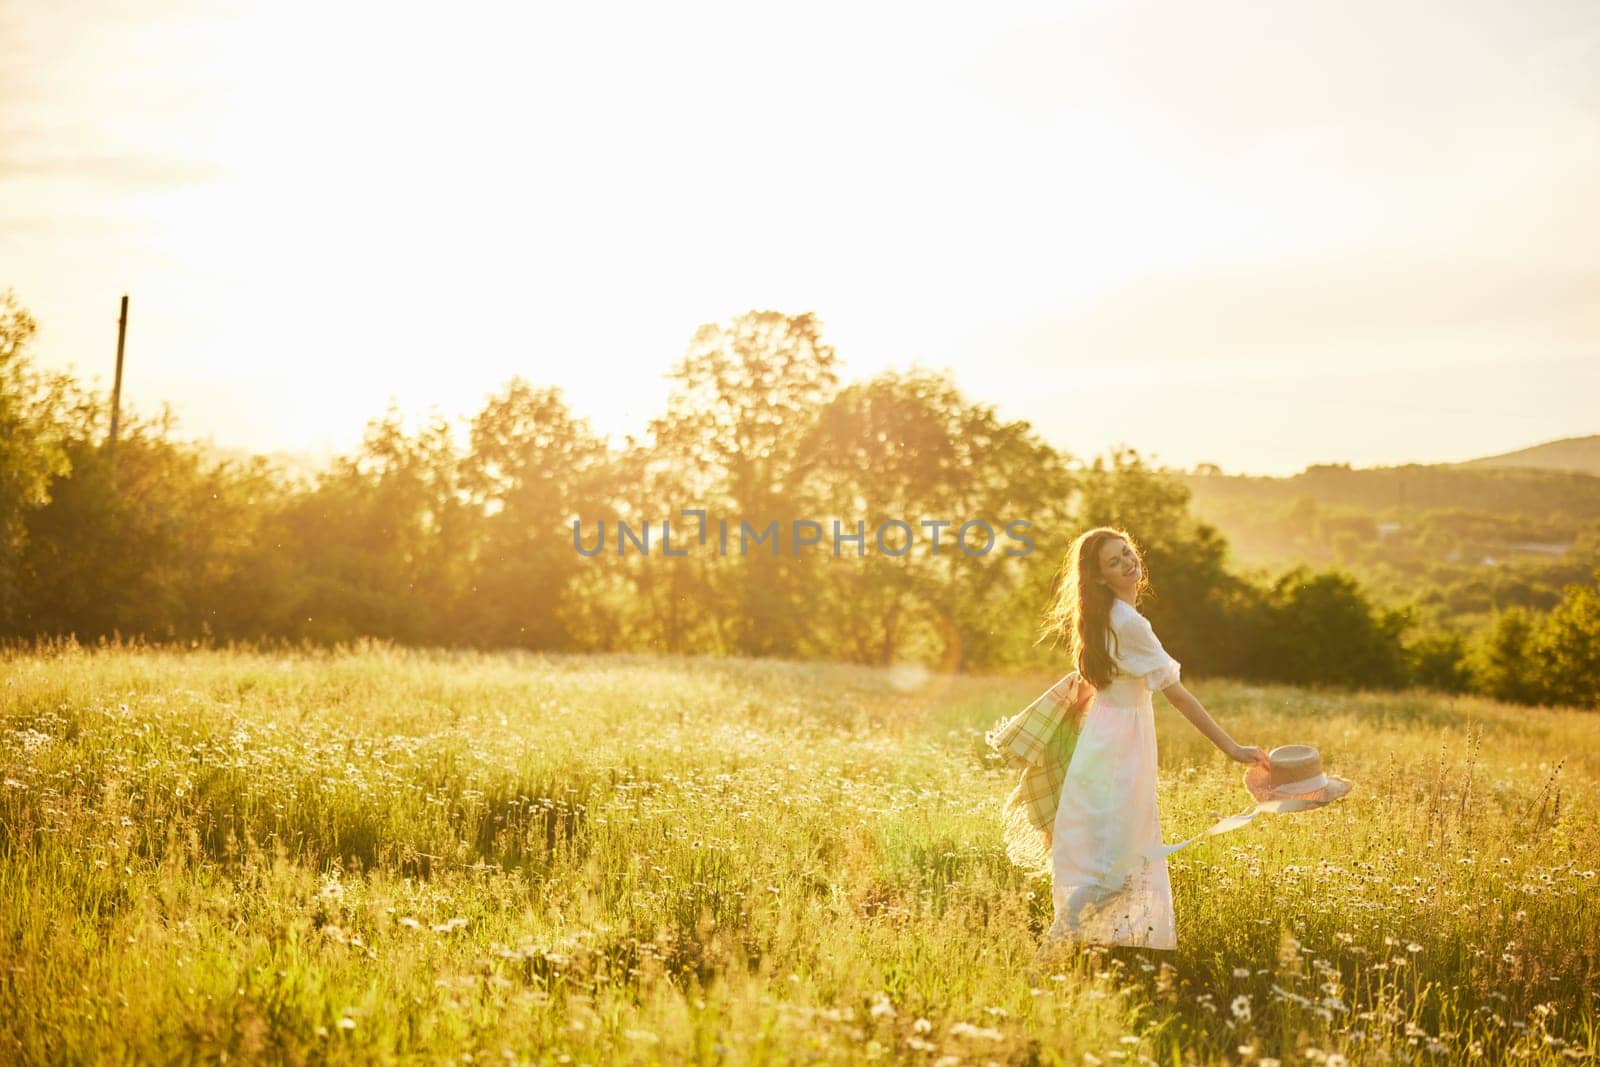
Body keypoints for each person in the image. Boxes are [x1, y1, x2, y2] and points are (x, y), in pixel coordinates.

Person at [1035, 526, 1270, 951]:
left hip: (1104, 739)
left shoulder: (1103, 617)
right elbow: (1177, 696)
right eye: (1113, 561)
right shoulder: (1129, 623)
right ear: (1100, 578)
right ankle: (1056, 945)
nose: (1127, 562)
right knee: (1118, 862)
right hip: (1119, 747)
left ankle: (1084, 945)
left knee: (1108, 853)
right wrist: (1232, 748)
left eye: (1127, 553)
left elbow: (1099, 681)